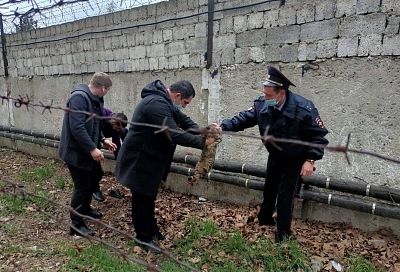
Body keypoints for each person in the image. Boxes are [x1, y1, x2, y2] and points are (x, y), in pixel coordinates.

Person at [220, 66, 329, 243]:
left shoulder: (303, 109)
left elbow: (317, 136)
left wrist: (310, 160)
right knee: (269, 188)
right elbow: (244, 118)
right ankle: (265, 219)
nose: (265, 97)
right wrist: (223, 127)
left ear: (282, 93)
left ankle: (283, 235)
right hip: (275, 154)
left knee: (285, 197)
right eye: (264, 93)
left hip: (295, 159)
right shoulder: (263, 104)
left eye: (269, 95)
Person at [115, 80, 216, 252]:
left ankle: (151, 230)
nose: (184, 106)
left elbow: (186, 123)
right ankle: (143, 238)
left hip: (149, 159)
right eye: (185, 102)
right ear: (177, 96)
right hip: (139, 159)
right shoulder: (156, 104)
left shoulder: (166, 103)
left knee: (149, 197)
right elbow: (173, 133)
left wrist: (202, 131)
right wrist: (204, 144)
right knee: (142, 199)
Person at [58, 72, 117, 236]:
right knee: (82, 186)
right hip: (75, 152)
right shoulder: (79, 99)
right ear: (103, 88)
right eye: (107, 91)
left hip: (86, 150)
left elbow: (93, 124)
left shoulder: (95, 100)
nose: (106, 93)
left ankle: (85, 210)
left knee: (94, 177)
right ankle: (76, 225)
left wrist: (103, 140)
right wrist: (92, 148)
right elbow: (77, 127)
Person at [92, 109, 128, 202]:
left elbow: (117, 146)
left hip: (99, 138)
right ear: (113, 123)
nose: (117, 130)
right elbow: (94, 128)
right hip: (92, 138)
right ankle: (94, 189)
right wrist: (103, 139)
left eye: (118, 129)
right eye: (116, 128)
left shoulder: (118, 128)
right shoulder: (102, 115)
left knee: (98, 171)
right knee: (96, 169)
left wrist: (119, 162)